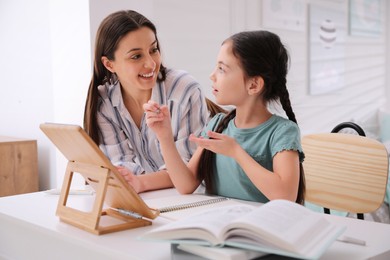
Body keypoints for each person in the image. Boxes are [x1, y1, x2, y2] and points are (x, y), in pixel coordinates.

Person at [144, 30, 305, 204]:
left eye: (222, 69)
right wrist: (165, 137)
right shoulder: (217, 125)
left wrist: (236, 152)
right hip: (220, 225)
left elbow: (286, 195)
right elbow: (186, 184)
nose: (212, 75)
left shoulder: (282, 132)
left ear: (254, 85)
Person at [83, 10, 210, 193]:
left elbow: (188, 171)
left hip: (193, 199)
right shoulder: (104, 103)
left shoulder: (183, 89)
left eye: (153, 50)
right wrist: (131, 179)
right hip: (148, 197)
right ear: (109, 64)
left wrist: (140, 182)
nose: (150, 64)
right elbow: (122, 166)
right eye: (136, 56)